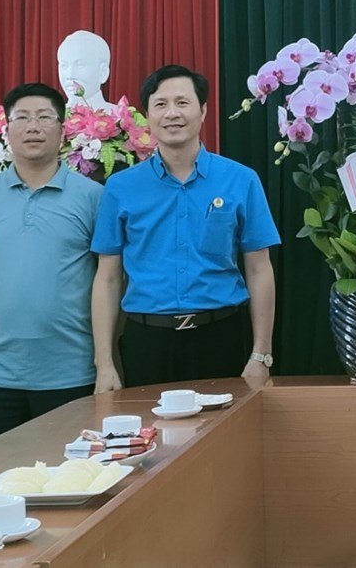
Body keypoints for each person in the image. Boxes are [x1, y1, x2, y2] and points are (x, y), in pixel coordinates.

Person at [91, 65, 279, 391]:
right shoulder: (120, 187)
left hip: (220, 336)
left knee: (225, 425)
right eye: (160, 104)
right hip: (147, 341)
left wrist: (261, 355)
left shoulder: (240, 180)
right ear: (147, 116)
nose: (172, 113)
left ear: (203, 111)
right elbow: (107, 278)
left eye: (182, 102)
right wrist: (104, 363)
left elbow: (259, 269)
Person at [0, 83, 104, 442]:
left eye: (44, 117)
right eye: (22, 118)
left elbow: (107, 278)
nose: (33, 127)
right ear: (6, 129)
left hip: (70, 373)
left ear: (62, 129)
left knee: (71, 472)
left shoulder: (93, 197)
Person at [57, 30, 117, 112]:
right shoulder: (52, 116)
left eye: (80, 65)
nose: (70, 75)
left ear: (103, 72)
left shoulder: (121, 116)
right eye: (64, 66)